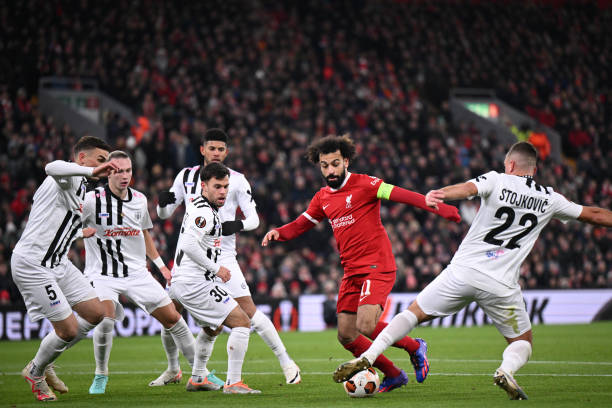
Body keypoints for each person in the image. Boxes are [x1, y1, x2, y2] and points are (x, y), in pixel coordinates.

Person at [333, 141, 612, 400]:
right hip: (502, 284)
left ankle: (369, 355)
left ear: (510, 165)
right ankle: (506, 370)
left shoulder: (497, 179)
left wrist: (439, 194)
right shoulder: (551, 198)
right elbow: (595, 215)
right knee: (522, 342)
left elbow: (467, 189)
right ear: (534, 170)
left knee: (412, 314)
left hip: (463, 273)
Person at [262, 135, 461, 392]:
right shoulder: (322, 197)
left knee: (365, 325)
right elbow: (301, 224)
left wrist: (434, 206)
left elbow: (400, 195)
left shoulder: (366, 183)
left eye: (335, 164)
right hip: (351, 271)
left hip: (377, 265)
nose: (330, 170)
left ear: (345, 161)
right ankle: (393, 374)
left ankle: (414, 346)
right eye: (324, 166)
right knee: (346, 334)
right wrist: (280, 232)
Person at [153, 128, 300, 386]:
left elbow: (254, 219)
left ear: (227, 152)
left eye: (221, 149)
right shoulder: (186, 177)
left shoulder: (238, 180)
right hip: (189, 256)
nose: (217, 153)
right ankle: (174, 369)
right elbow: (165, 214)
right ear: (202, 150)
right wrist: (162, 204)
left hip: (223, 257)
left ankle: (286, 363)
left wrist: (235, 225)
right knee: (170, 316)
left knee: (247, 313)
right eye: (212, 148)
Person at [11, 136, 117, 401]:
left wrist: (81, 233)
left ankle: (45, 363)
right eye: (100, 160)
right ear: (82, 159)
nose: (104, 166)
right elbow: (51, 166)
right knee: (68, 330)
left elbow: (57, 227)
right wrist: (91, 171)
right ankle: (36, 372)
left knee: (96, 313)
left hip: (59, 262)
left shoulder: (82, 190)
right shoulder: (66, 176)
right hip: (33, 264)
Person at [82, 151, 196, 394]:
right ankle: (101, 374)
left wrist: (161, 266)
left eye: (128, 170)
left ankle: (200, 373)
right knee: (106, 317)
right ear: (108, 172)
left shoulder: (140, 200)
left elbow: (144, 233)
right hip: (102, 274)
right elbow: (69, 224)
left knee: (174, 318)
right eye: (119, 171)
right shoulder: (92, 200)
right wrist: (80, 234)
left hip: (136, 273)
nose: (125, 176)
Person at [169, 162, 261, 394]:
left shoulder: (200, 207)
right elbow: (189, 245)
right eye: (217, 186)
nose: (223, 192)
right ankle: (233, 383)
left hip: (188, 281)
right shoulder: (204, 212)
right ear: (204, 186)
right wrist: (216, 268)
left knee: (213, 328)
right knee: (242, 322)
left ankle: (198, 378)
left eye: (226, 186)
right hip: (194, 283)